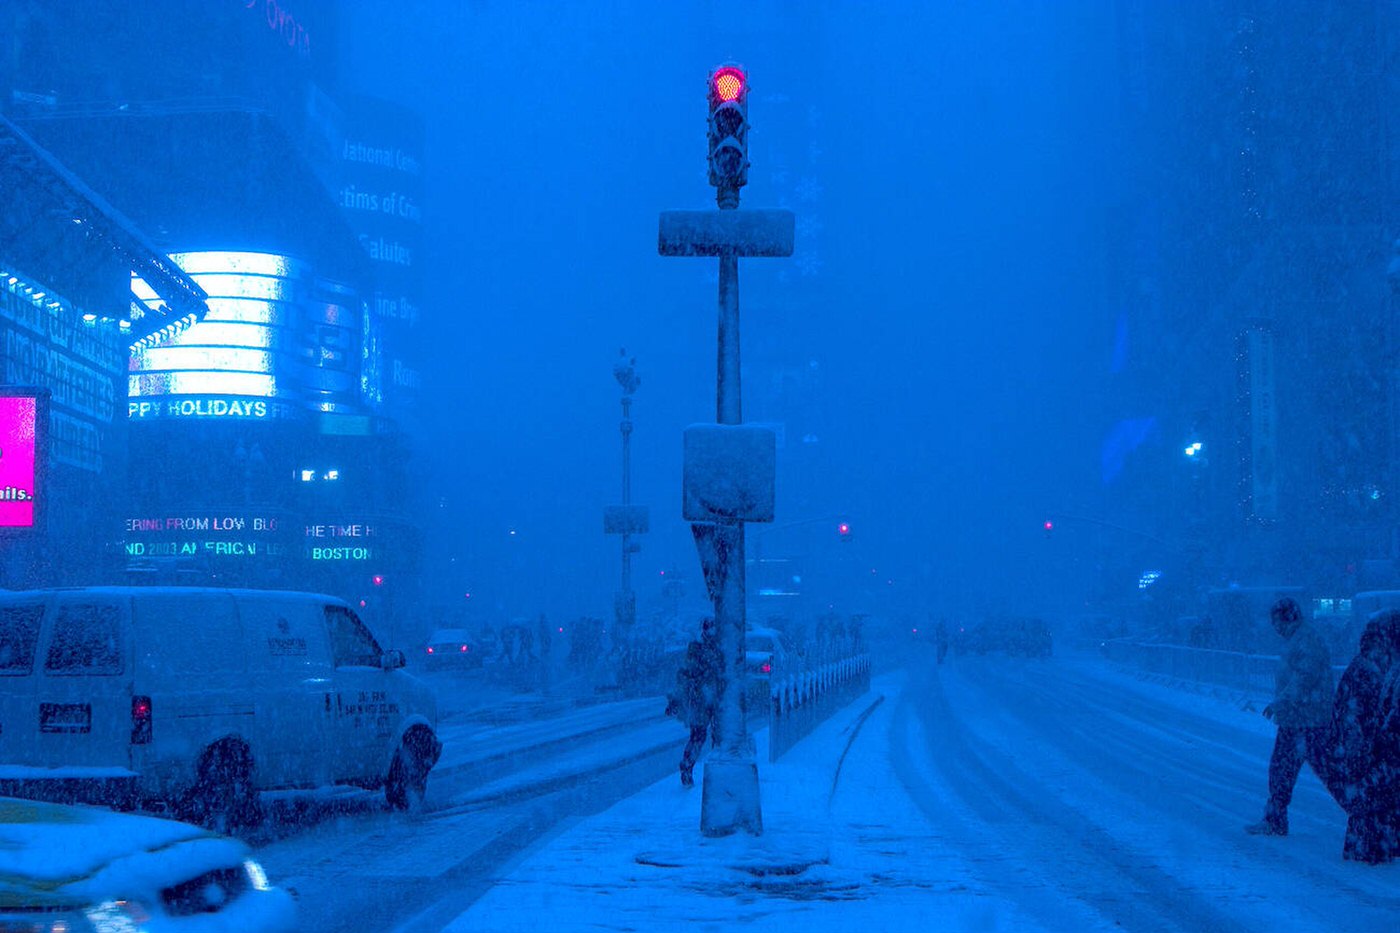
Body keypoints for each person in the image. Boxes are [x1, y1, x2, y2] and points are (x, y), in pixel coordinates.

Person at [1246, 596, 1335, 836]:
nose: (1276, 628)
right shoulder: (1298, 639)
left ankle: (1369, 816)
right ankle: (1275, 818)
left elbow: (1304, 678)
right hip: (1301, 719)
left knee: (1292, 770)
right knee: (1290, 770)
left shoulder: (1306, 640)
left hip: (1306, 720)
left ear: (1289, 618)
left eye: (1277, 622)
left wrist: (1281, 702)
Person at [1319, 613, 1397, 862]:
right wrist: (1363, 749)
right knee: (1372, 798)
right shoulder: (1368, 671)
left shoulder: (1371, 667)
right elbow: (1357, 716)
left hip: (1368, 748)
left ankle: (1370, 847)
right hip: (1367, 749)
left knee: (1372, 798)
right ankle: (1370, 849)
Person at [668, 637, 719, 788]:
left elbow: (680, 685)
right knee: (701, 737)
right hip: (704, 705)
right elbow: (710, 684)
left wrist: (674, 702)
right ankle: (689, 763)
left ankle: (687, 762)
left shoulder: (689, 664)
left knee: (695, 736)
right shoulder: (709, 661)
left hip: (694, 705)